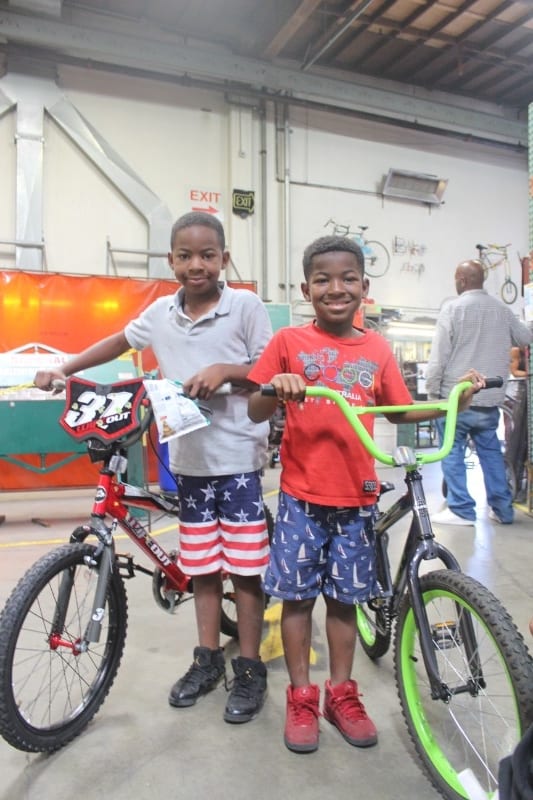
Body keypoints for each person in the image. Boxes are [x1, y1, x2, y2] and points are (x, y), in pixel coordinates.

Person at [246, 235, 483, 754]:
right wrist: (277, 388)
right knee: (296, 600)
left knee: (345, 602)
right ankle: (302, 696)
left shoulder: (376, 348)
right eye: (324, 279)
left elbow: (399, 411)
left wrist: (452, 402)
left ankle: (341, 694)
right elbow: (254, 410)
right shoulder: (289, 342)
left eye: (348, 278)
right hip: (302, 499)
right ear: (307, 288)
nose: (337, 288)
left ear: (364, 288)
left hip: (357, 500)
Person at [34, 211, 272, 724]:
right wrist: (64, 366)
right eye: (185, 256)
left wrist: (225, 371)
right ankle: (207, 659)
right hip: (188, 462)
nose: (196, 265)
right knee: (202, 569)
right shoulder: (161, 312)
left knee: (246, 573)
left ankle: (250, 668)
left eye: (207, 255)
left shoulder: (245, 306)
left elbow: (269, 369)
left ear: (224, 259)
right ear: (171, 261)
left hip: (236, 462)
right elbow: (120, 340)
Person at [426, 259, 533, 526]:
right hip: (489, 399)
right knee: (491, 454)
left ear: (461, 280)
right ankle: (503, 511)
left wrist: (431, 392)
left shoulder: (452, 309)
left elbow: (438, 356)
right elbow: (525, 339)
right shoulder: (503, 310)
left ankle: (461, 510)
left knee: (451, 453)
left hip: (458, 398)